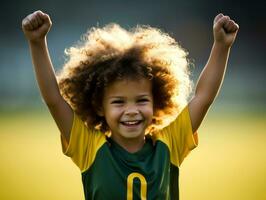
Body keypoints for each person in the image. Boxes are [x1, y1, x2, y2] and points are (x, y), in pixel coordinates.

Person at [22, 10, 239, 200]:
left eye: (142, 100)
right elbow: (54, 99)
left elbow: (203, 97)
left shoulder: (170, 145)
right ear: (99, 107)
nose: (132, 110)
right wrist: (37, 43)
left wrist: (221, 46)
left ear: (157, 102)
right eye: (118, 102)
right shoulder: (89, 148)